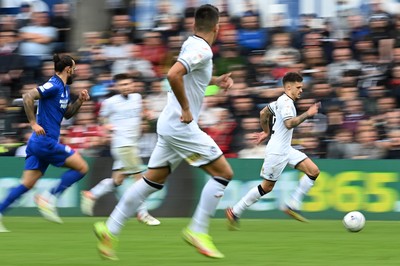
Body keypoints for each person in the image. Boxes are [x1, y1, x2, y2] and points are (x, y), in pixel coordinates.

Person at [93, 4, 234, 260]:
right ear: (218, 28)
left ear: (193, 26)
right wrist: (187, 107)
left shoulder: (192, 44)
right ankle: (198, 231)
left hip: (168, 125)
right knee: (224, 173)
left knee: (150, 182)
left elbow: (191, 75)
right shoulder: (202, 49)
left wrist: (216, 80)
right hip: (182, 125)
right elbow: (173, 74)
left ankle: (109, 228)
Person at [0, 54, 90, 232]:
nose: (76, 71)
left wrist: (79, 101)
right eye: (75, 68)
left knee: (27, 184)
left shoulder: (63, 89)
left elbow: (67, 114)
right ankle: (49, 197)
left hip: (39, 143)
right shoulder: (53, 85)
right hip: (44, 142)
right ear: (67, 69)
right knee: (82, 168)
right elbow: (28, 97)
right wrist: (33, 123)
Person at [226, 72, 320, 230]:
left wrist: (265, 131)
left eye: (302, 87)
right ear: (288, 87)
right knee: (266, 187)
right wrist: (308, 114)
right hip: (277, 152)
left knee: (313, 171)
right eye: (298, 87)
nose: (301, 90)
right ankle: (235, 211)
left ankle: (292, 204)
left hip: (285, 148)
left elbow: (264, 113)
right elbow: (290, 124)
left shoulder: (280, 101)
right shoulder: (287, 103)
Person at [80, 73, 160, 226]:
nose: (127, 87)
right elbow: (102, 119)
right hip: (122, 145)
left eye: (129, 84)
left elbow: (142, 111)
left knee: (118, 180)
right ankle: (142, 213)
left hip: (132, 144)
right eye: (123, 85)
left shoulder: (137, 97)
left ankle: (92, 194)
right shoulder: (110, 102)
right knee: (140, 180)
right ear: (117, 87)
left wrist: (147, 114)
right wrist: (106, 125)